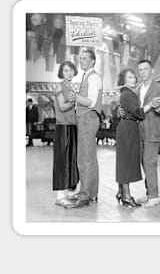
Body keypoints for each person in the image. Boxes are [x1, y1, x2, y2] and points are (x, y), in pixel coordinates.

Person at [66, 49, 103, 209]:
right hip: (87, 118)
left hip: (88, 117)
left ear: (93, 61)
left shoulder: (93, 77)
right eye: (80, 59)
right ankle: (91, 192)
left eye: (85, 58)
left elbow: (92, 101)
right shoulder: (87, 76)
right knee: (90, 157)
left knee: (84, 158)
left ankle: (85, 195)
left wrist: (76, 97)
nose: (81, 61)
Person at [115, 69, 157, 207]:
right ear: (124, 79)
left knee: (124, 160)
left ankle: (122, 192)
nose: (133, 79)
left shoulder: (125, 93)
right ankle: (126, 196)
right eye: (130, 77)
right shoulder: (128, 94)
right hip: (129, 128)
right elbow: (138, 113)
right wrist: (151, 105)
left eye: (134, 77)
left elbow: (127, 109)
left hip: (126, 127)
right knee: (126, 162)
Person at [135, 60, 160, 207]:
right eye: (140, 70)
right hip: (140, 131)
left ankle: (154, 196)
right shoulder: (137, 89)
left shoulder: (159, 88)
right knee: (144, 162)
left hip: (153, 130)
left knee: (150, 162)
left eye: (146, 69)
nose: (143, 72)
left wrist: (157, 108)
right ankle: (150, 192)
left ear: (152, 70)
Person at [53, 61, 79, 207]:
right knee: (62, 161)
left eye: (70, 70)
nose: (68, 73)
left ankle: (68, 192)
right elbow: (63, 107)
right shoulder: (59, 86)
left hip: (72, 126)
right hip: (63, 127)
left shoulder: (71, 87)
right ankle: (60, 196)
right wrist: (74, 102)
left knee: (70, 160)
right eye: (65, 71)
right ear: (61, 73)